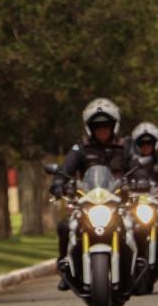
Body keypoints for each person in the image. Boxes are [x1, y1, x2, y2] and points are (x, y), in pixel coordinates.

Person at [49, 98, 128, 288]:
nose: (102, 130)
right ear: (89, 128)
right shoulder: (80, 149)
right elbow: (65, 169)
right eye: (97, 126)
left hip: (118, 202)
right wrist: (59, 183)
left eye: (106, 126)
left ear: (113, 126)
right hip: (88, 202)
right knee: (66, 226)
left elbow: (138, 167)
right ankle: (65, 266)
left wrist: (140, 179)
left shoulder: (125, 147)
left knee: (138, 226)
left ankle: (139, 265)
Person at [126, 121, 158, 273]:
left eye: (149, 143)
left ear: (155, 144)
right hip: (132, 204)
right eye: (142, 143)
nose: (146, 146)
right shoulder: (129, 162)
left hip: (156, 203)